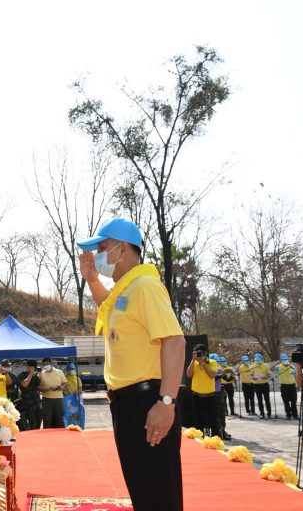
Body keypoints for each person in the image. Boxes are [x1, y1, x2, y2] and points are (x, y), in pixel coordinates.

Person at [78, 217, 185, 511]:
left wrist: (166, 403)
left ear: (121, 249)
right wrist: (92, 280)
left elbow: (175, 342)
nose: (98, 256)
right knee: (143, 489)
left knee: (158, 494)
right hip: (126, 404)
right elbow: (109, 309)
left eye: (102, 248)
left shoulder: (145, 286)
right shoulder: (125, 289)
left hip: (148, 402)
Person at [186, 345, 221, 438]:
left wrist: (203, 363)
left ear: (205, 353)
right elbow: (188, 375)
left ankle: (216, 440)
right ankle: (199, 441)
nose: (198, 355)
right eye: (196, 352)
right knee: (198, 421)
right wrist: (193, 360)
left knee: (213, 420)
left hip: (210, 396)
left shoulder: (212, 362)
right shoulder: (194, 363)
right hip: (197, 396)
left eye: (200, 353)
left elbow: (212, 375)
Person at [38, 357, 66, 429]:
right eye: (44, 365)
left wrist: (61, 387)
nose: (46, 366)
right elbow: (39, 388)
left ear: (51, 363)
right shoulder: (41, 374)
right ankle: (48, 437)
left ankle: (61, 435)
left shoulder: (59, 372)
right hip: (47, 400)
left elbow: (64, 383)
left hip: (58, 399)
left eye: (47, 364)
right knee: (47, 420)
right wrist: (48, 389)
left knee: (59, 419)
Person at [17, 360, 42, 430]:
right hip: (27, 402)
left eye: (32, 367)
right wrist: (30, 374)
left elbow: (40, 385)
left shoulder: (35, 376)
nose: (30, 368)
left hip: (36, 401)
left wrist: (40, 374)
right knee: (31, 421)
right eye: (29, 366)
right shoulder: (22, 375)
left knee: (39, 419)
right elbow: (24, 385)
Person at [274, 353, 298, 420]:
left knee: (293, 402)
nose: (285, 360)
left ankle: (295, 415)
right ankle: (288, 415)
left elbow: (296, 376)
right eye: (284, 359)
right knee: (286, 402)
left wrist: (297, 385)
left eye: (286, 359)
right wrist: (277, 362)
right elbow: (270, 369)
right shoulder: (278, 367)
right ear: (281, 360)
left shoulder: (292, 367)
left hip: (292, 386)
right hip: (284, 387)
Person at [251, 353, 272, 419]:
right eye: (256, 360)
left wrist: (266, 377)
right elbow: (251, 374)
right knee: (259, 400)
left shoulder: (266, 366)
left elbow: (269, 374)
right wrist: (253, 377)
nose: (257, 361)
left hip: (265, 384)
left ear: (261, 359)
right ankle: (262, 413)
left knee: (267, 400)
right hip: (256, 385)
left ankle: (269, 413)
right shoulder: (252, 366)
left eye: (259, 360)